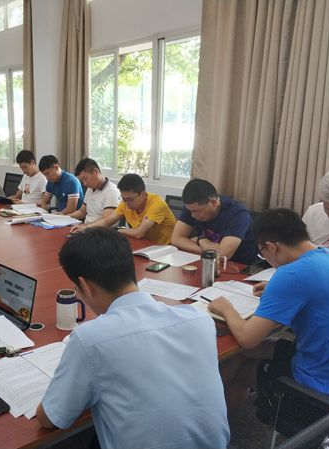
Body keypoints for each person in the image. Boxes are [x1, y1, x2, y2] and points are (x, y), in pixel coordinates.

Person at [36, 228, 230, 449]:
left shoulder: (89, 339)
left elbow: (50, 419)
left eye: (76, 289)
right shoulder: (199, 319)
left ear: (86, 287)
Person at [208, 208, 329, 415]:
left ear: (272, 246)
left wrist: (226, 308)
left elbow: (247, 338)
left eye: (262, 253)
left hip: (321, 385)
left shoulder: (291, 274)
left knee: (237, 365)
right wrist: (278, 290)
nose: (264, 258)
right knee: (241, 354)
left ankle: (217, 422)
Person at [171, 178, 257, 264]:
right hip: (206, 260)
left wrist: (197, 241)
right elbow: (176, 239)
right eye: (190, 211)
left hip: (239, 265)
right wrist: (202, 242)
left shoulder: (238, 214)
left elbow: (222, 254)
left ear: (213, 202)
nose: (192, 215)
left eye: (196, 211)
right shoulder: (192, 207)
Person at [72, 173, 175, 243]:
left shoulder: (156, 204)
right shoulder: (125, 202)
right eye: (124, 199)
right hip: (144, 245)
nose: (127, 203)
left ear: (143, 194)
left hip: (166, 249)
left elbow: (139, 233)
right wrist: (86, 228)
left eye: (130, 199)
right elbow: (107, 221)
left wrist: (120, 230)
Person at [67, 158, 120, 224]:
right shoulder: (90, 189)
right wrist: (64, 217)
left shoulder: (112, 191)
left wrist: (84, 227)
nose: (85, 184)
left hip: (100, 229)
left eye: (85, 178)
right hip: (86, 227)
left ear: (96, 171)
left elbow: (106, 220)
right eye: (82, 181)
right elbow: (82, 212)